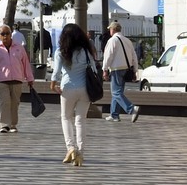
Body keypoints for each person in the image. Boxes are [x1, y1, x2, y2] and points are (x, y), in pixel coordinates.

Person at [52, 22, 99, 166]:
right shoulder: (86, 51)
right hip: (85, 89)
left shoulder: (61, 51)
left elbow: (56, 72)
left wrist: (53, 84)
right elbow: (95, 70)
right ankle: (80, 152)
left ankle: (70, 147)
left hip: (67, 88)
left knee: (66, 118)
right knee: (80, 120)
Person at [0, 23, 33, 132]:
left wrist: (30, 78)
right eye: (2, 34)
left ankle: (13, 125)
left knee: (15, 103)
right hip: (2, 80)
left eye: (7, 33)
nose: (5, 36)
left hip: (17, 79)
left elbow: (25, 64)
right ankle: (4, 125)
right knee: (5, 102)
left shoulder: (19, 47)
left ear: (11, 34)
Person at [102, 21, 141, 122]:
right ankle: (114, 114)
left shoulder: (112, 41)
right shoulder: (127, 40)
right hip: (126, 69)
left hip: (116, 69)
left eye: (110, 29)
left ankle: (131, 109)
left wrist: (105, 69)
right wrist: (135, 70)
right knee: (118, 92)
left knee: (116, 93)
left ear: (113, 29)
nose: (109, 31)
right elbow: (134, 56)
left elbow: (108, 56)